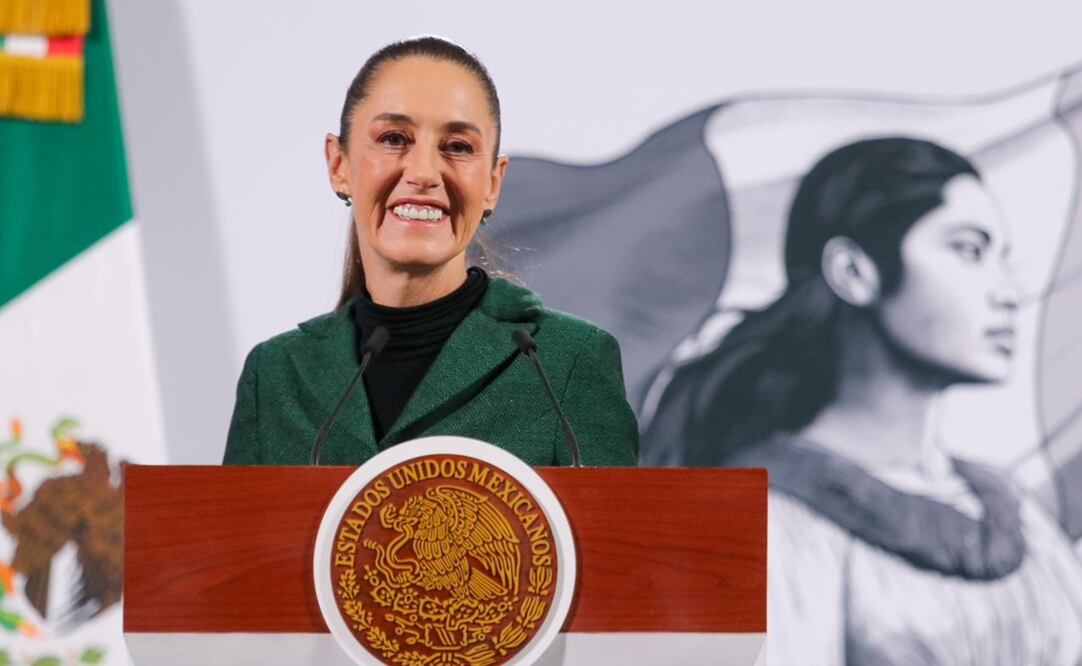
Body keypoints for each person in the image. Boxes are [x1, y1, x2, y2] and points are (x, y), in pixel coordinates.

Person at [641, 138, 1082, 664]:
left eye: (1002, 259)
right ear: (853, 271)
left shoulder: (1016, 513)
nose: (1007, 292)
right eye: (968, 250)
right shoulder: (766, 519)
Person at [223, 37, 637, 467]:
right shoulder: (274, 375)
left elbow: (613, 533)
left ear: (493, 183)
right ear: (338, 165)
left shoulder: (565, 361)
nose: (423, 173)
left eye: (457, 146)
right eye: (394, 137)